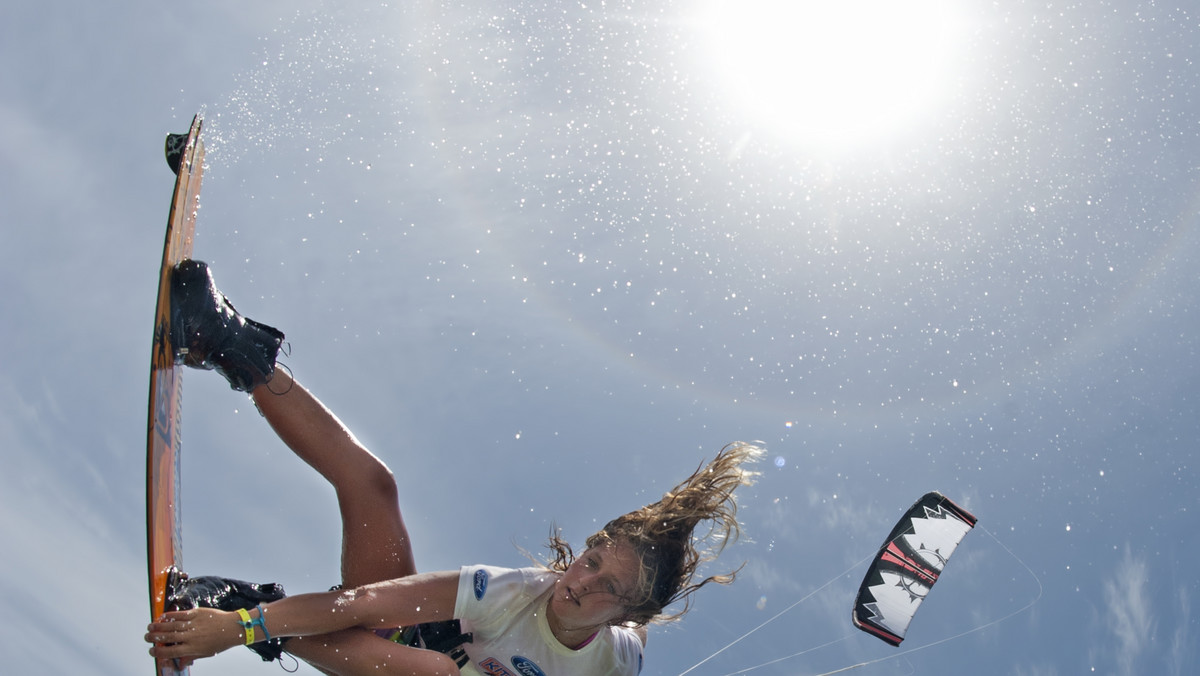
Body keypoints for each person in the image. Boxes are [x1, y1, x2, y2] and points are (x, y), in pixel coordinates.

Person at [145, 260, 763, 676]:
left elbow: (640, 636)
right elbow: (363, 601)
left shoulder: (615, 658)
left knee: (441, 673)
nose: (582, 584)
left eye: (608, 591)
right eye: (593, 561)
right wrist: (240, 629)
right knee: (374, 487)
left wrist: (244, 626)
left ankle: (249, 609)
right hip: (396, 645)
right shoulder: (517, 592)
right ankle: (224, 341)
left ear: (624, 616)